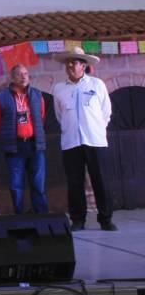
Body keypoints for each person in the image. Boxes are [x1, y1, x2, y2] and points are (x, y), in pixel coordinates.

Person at [53, 47, 116, 231]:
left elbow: (106, 112)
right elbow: (59, 115)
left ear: (83, 66)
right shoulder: (59, 89)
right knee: (74, 183)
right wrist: (71, 128)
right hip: (71, 142)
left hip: (95, 141)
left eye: (75, 62)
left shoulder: (97, 85)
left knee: (100, 180)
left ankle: (105, 219)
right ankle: (78, 220)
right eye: (68, 63)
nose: (70, 66)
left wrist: (96, 129)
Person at [0, 65, 48, 214]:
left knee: (38, 184)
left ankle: (42, 216)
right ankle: (19, 216)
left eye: (26, 73)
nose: (24, 77)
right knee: (16, 185)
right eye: (19, 74)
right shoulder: (2, 97)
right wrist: (9, 136)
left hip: (34, 144)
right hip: (14, 146)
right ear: (12, 78)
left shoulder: (37, 95)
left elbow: (41, 117)